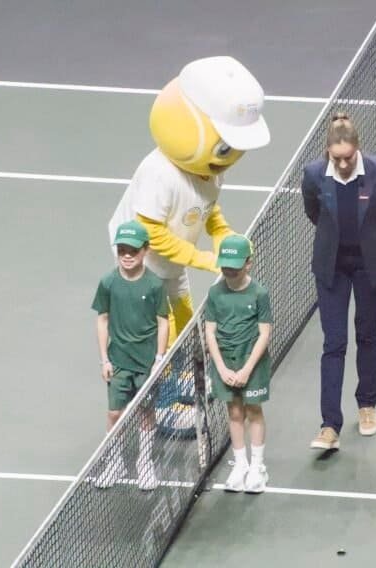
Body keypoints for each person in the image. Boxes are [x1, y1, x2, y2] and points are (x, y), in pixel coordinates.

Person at [108, 56, 270, 345]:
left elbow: (206, 206)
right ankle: (158, 370)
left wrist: (224, 236)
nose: (232, 154)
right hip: (143, 262)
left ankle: (186, 363)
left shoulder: (211, 169)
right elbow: (150, 232)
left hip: (174, 259)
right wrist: (204, 260)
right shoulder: (160, 174)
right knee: (162, 328)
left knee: (184, 318)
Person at [301, 112, 376, 450]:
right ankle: (330, 425)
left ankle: (367, 405)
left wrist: (370, 238)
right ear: (328, 152)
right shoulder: (314, 175)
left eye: (348, 157)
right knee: (334, 342)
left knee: (367, 332)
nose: (343, 165)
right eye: (337, 158)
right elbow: (313, 212)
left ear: (358, 148)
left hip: (370, 265)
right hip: (331, 267)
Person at [91, 220, 169, 491]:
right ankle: (116, 463)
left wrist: (159, 358)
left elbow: (163, 322)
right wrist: (104, 359)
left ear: (145, 250)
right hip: (118, 363)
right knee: (114, 413)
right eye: (122, 250)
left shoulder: (154, 285)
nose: (126, 255)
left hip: (146, 364)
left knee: (146, 412)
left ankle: (144, 463)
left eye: (133, 250)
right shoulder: (108, 283)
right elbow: (102, 320)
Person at [204, 235, 273, 493]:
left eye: (235, 265)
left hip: (252, 363)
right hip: (225, 362)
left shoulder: (260, 293)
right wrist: (222, 368)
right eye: (225, 265)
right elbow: (210, 333)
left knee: (253, 410)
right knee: (234, 412)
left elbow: (264, 334)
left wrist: (246, 370)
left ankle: (257, 466)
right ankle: (240, 465)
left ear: (248, 264)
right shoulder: (215, 293)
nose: (229, 271)